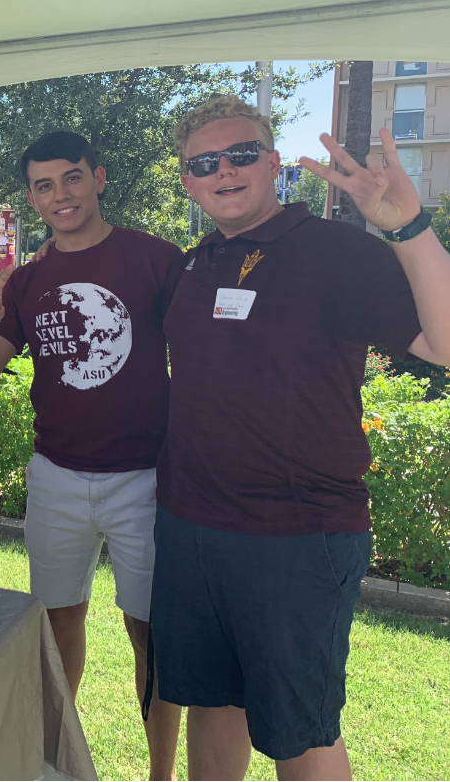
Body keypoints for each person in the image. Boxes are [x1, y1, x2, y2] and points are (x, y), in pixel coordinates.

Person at [153, 96, 450, 780]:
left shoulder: (338, 253)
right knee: (211, 701)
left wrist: (408, 228)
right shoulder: (196, 265)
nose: (224, 170)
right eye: (204, 162)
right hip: (190, 524)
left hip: (296, 535)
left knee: (300, 730)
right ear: (188, 181)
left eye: (242, 153)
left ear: (274, 161)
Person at [0, 131, 182, 779]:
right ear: (30, 197)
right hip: (56, 475)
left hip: (146, 478)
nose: (60, 195)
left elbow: (203, 358)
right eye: (44, 185)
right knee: (57, 626)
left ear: (99, 177)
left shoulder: (156, 260)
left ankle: (160, 773)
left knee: (151, 635)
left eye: (72, 178)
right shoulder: (24, 280)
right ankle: (56, 761)